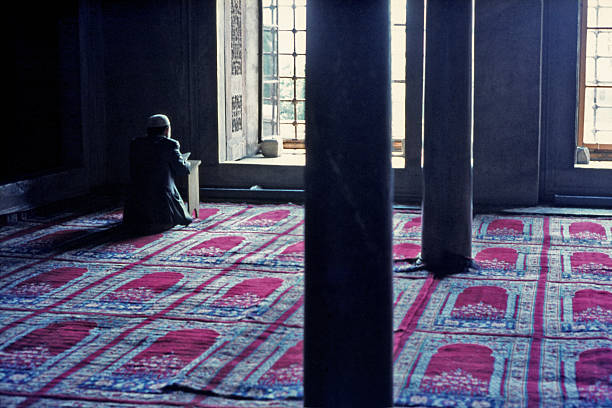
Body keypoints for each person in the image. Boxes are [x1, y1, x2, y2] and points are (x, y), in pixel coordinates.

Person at [123, 114, 193, 234]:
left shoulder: (136, 143)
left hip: (137, 200)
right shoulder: (170, 144)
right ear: (167, 130)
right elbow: (181, 170)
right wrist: (188, 164)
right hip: (162, 201)